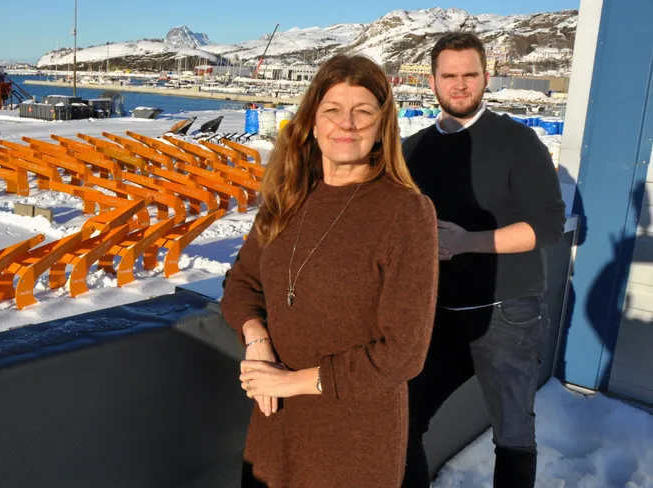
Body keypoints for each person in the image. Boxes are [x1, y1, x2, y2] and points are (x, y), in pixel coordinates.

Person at [221, 55, 439, 487]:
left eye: (363, 112)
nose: (348, 124)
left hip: (354, 436)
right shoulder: (288, 197)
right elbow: (242, 283)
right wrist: (257, 339)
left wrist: (293, 382)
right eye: (333, 111)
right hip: (274, 423)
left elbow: (404, 351)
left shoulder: (406, 211)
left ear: (382, 127)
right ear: (312, 123)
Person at [400, 32, 566, 488]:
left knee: (512, 435)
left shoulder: (517, 141)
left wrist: (470, 241)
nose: (459, 84)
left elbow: (548, 225)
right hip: (434, 316)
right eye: (448, 75)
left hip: (506, 313)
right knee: (400, 421)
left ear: (486, 78)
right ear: (431, 81)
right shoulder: (411, 150)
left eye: (469, 75)